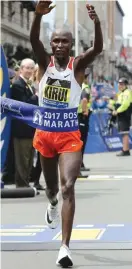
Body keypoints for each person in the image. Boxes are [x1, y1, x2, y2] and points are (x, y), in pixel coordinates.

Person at [30, 1, 103, 267]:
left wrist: (96, 23)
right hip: (45, 135)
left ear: (70, 45)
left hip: (69, 135)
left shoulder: (77, 66)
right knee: (52, 190)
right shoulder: (43, 63)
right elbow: (33, 39)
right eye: (56, 41)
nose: (60, 45)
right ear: (51, 45)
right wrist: (37, 16)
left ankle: (64, 248)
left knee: (68, 187)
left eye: (64, 41)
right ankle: (50, 204)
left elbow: (97, 48)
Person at [11, 58, 38, 187]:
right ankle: (22, 185)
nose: (29, 71)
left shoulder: (29, 84)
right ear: (21, 69)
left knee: (29, 159)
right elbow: (24, 105)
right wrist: (36, 96)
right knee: (22, 159)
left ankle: (26, 183)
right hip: (21, 129)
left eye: (31, 68)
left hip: (30, 128)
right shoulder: (18, 85)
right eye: (26, 68)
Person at [113, 77, 131, 156]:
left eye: (122, 84)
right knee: (123, 133)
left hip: (124, 114)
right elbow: (118, 102)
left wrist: (117, 111)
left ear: (125, 85)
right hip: (121, 114)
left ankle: (125, 150)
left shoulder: (127, 92)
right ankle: (125, 149)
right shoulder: (121, 93)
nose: (120, 86)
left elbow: (125, 104)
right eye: (119, 84)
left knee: (125, 132)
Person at [78, 71, 92, 172]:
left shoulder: (76, 86)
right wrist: (85, 111)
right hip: (82, 117)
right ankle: (79, 164)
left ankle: (80, 163)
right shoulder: (85, 87)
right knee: (82, 141)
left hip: (75, 116)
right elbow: (84, 100)